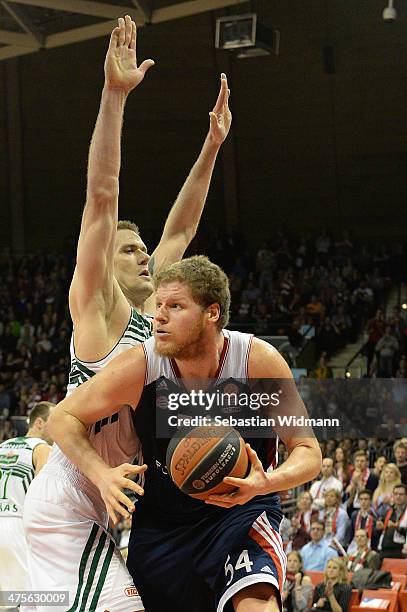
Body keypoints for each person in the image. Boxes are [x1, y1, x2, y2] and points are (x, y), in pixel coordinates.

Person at [23, 17, 232, 612]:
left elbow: (183, 227)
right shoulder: (96, 307)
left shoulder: (151, 311)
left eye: (145, 250)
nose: (145, 256)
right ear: (103, 266)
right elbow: (101, 196)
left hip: (101, 505)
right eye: (129, 250)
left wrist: (212, 146)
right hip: (69, 500)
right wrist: (114, 97)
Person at [48, 256, 322, 612]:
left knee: (258, 604)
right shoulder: (142, 365)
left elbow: (307, 450)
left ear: (212, 313)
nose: (158, 316)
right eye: (159, 304)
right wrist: (102, 474)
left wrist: (266, 483)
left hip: (239, 513)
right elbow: (63, 417)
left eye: (175, 306)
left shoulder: (256, 361)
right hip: (163, 526)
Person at [0, 402, 53, 592]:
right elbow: (43, 495)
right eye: (53, 422)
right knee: (32, 597)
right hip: (20, 527)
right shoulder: (43, 449)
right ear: (39, 422)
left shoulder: (3, 445)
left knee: (4, 598)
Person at [375, 483, 407, 560]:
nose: (398, 496)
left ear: (406, 496)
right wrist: (378, 528)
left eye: (401, 494)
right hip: (385, 548)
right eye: (395, 494)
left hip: (401, 551)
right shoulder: (388, 511)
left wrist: (397, 527)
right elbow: (377, 533)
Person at [347, 489, 377, 555]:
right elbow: (352, 533)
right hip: (355, 546)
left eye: (366, 499)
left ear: (370, 501)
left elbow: (376, 535)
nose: (363, 502)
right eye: (361, 499)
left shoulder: (375, 515)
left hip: (370, 547)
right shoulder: (354, 515)